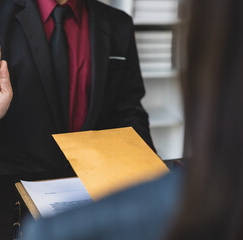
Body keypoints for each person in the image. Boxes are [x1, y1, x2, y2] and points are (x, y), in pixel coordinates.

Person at [22, 0, 243, 239]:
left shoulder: (118, 23)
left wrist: (144, 173)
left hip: (101, 187)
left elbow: (130, 110)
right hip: (9, 191)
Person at [0, 0, 155, 177]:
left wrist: (150, 173)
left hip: (94, 191)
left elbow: (129, 112)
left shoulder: (119, 23)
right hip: (5, 194)